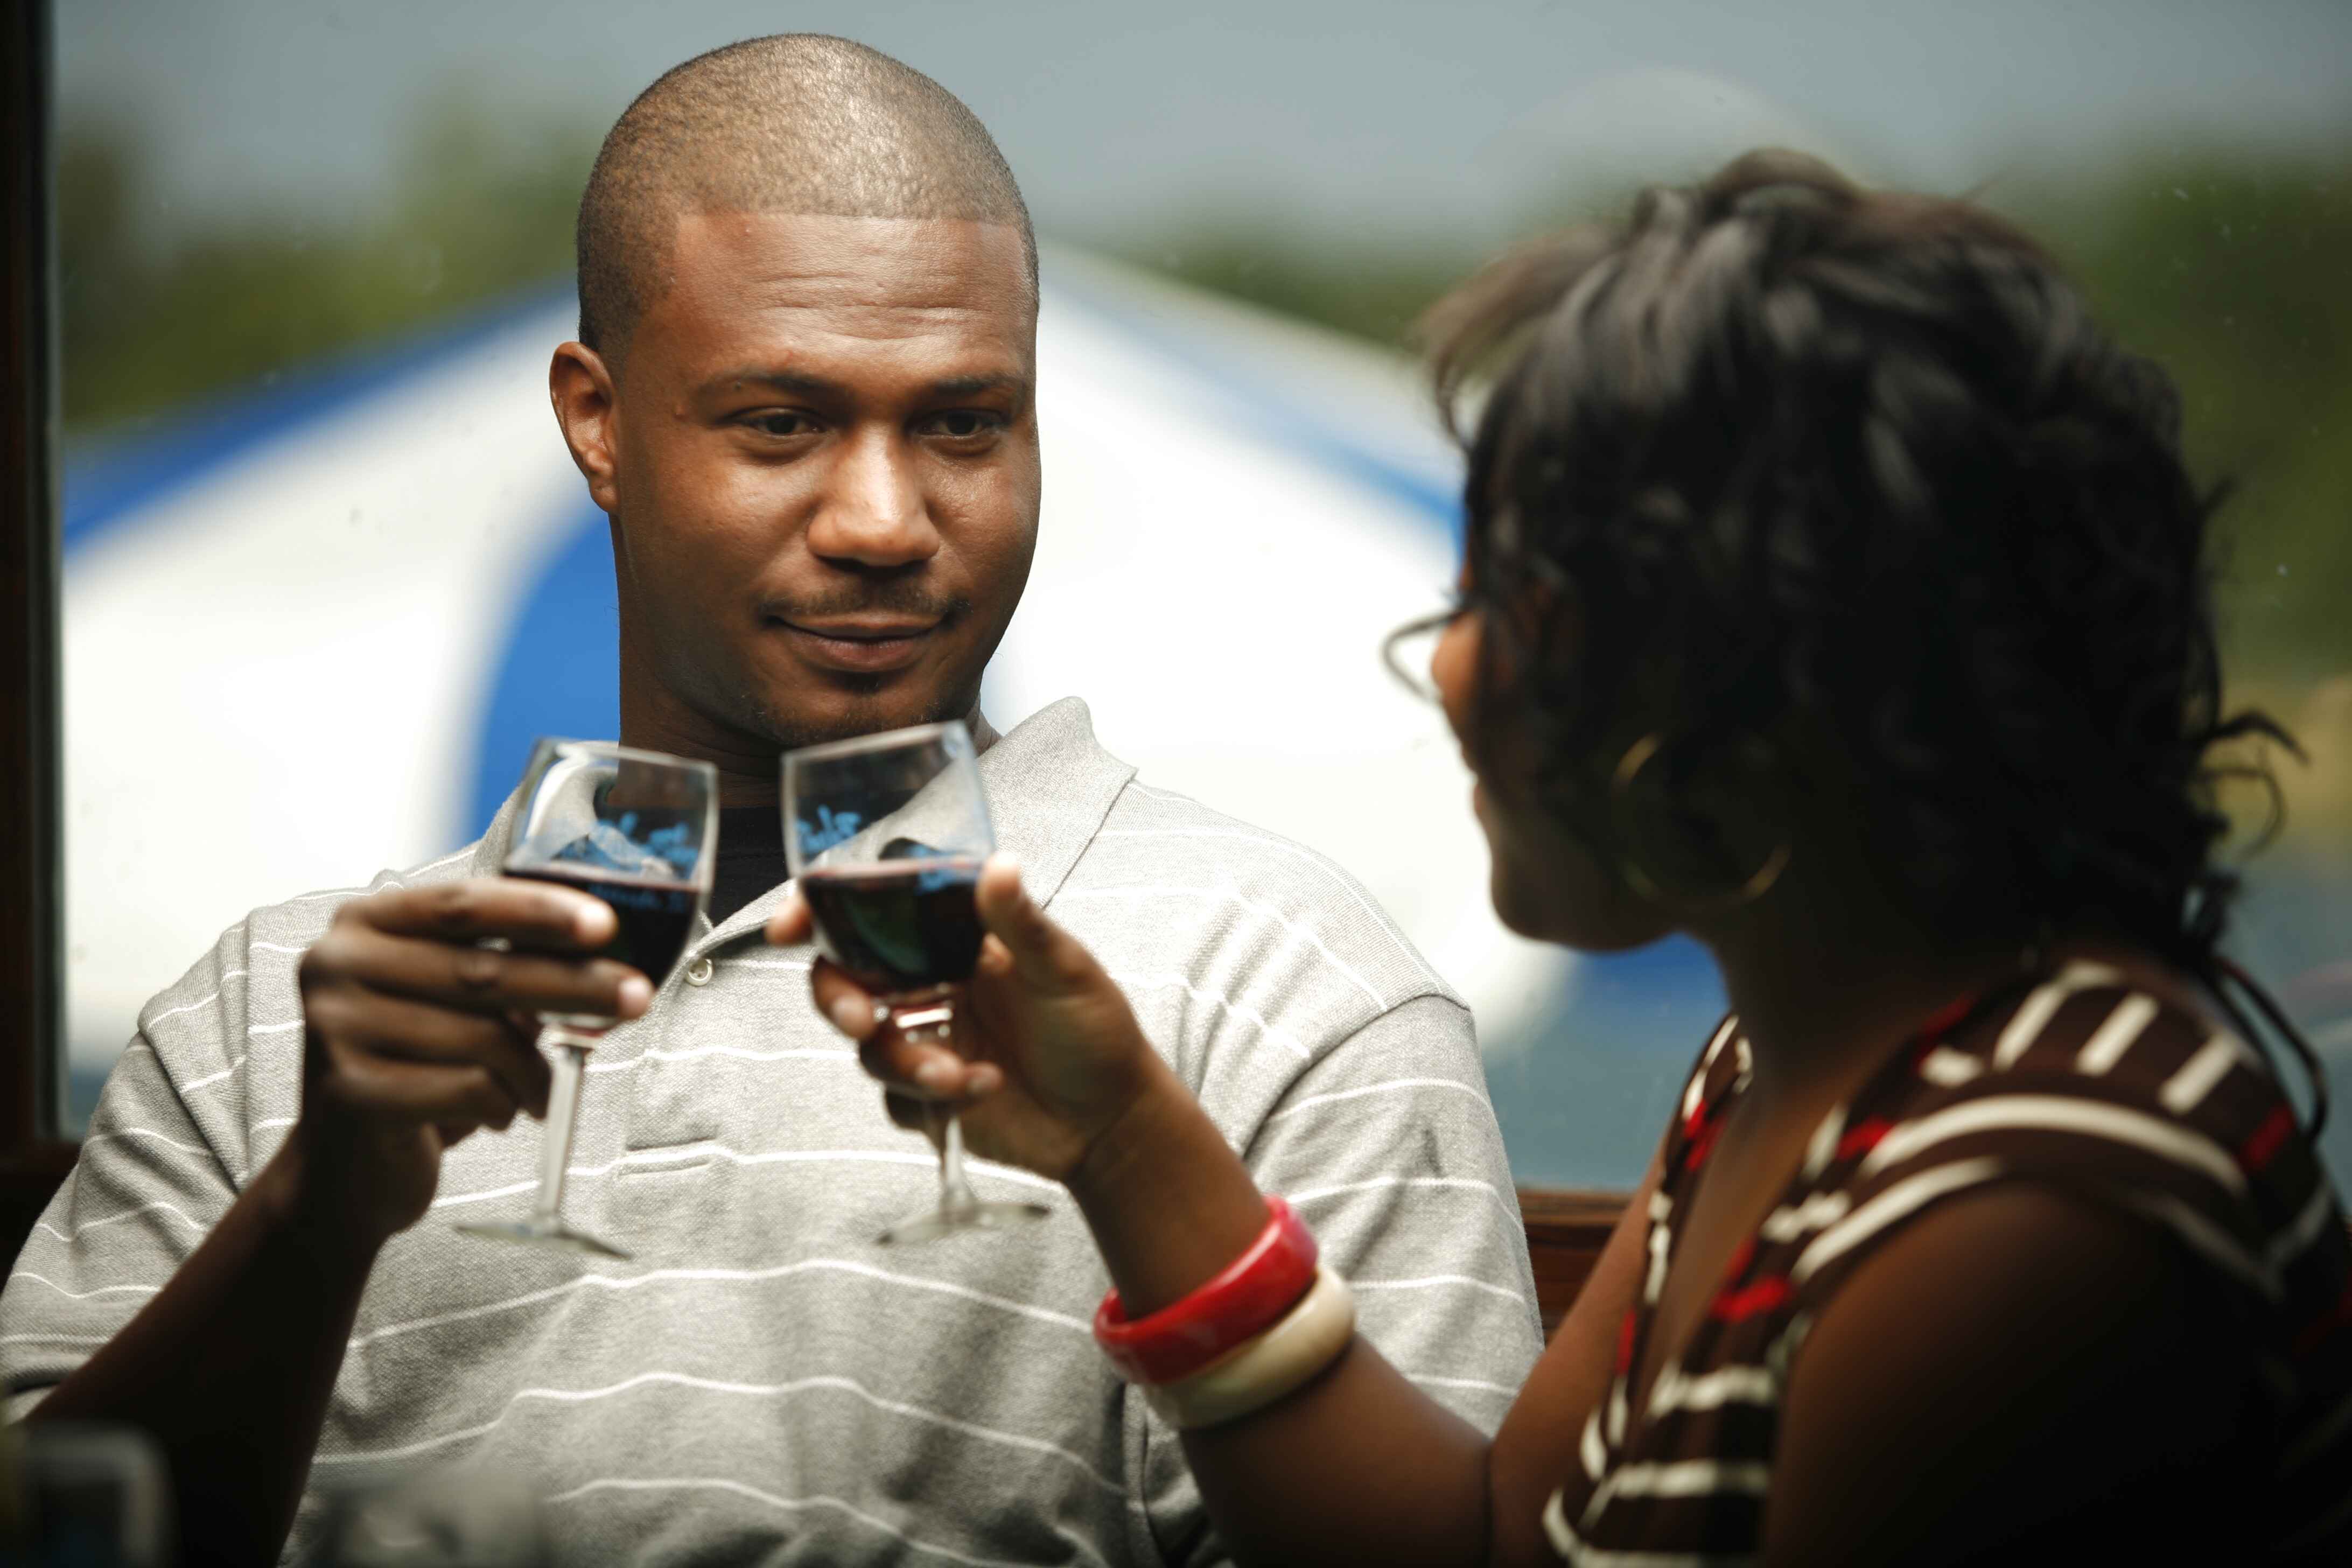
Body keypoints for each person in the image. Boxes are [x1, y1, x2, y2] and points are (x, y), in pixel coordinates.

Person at [0, 36, 1541, 1565]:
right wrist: (311, 1216)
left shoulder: (1286, 986)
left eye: (962, 424)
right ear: (598, 423)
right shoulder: (283, 1021)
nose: (882, 521)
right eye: (781, 425)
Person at [787, 150, 2352, 1564]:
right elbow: (1484, 1548)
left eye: (1507, 599)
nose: (1444, 669)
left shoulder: (2026, 1212)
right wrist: (1122, 1138)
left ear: (1746, 678)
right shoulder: (1790, 1066)